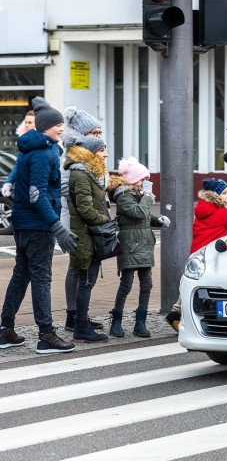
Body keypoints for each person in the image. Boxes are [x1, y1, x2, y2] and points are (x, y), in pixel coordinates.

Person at [0, 98, 77, 353]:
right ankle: (46, 335)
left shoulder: (28, 149)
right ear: (45, 128)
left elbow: (31, 186)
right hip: (38, 226)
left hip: (22, 224)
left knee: (21, 275)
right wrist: (57, 225)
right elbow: (37, 194)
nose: (61, 128)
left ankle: (6, 329)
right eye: (57, 125)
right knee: (42, 278)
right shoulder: (45, 153)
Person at [165, 179, 227, 331]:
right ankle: (181, 316)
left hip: (198, 253)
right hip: (208, 256)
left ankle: (175, 314)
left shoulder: (204, 209)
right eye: (224, 193)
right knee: (197, 285)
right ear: (214, 195)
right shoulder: (218, 212)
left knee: (190, 283)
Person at [107, 158, 169, 339]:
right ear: (134, 180)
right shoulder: (123, 195)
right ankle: (116, 319)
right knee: (126, 284)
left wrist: (158, 220)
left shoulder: (138, 195)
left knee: (147, 284)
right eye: (143, 179)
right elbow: (137, 212)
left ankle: (140, 322)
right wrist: (148, 198)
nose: (145, 183)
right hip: (130, 244)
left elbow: (145, 217)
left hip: (143, 243)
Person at [59, 107, 106, 333]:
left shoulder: (90, 154)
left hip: (86, 219)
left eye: (99, 132)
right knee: (76, 267)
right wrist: (83, 195)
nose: (98, 136)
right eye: (94, 132)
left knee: (81, 266)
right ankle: (73, 316)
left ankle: (79, 315)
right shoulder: (71, 156)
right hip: (75, 220)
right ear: (82, 133)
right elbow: (64, 187)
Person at [65, 134, 111, 343]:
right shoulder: (81, 174)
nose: (106, 154)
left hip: (90, 234)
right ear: (91, 153)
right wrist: (107, 222)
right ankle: (81, 327)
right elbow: (85, 208)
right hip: (85, 235)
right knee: (85, 281)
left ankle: (82, 323)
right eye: (102, 150)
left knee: (87, 281)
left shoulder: (90, 174)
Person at [2, 110, 36, 197]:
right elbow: (18, 165)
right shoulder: (24, 143)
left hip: (37, 188)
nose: (27, 125)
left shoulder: (44, 142)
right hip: (23, 188)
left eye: (30, 122)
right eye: (26, 122)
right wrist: (9, 182)